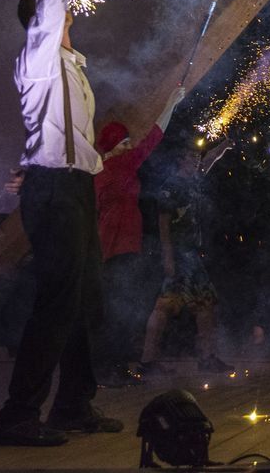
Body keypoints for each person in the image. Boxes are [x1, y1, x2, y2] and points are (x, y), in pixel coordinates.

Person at [0, 0, 120, 447]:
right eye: (62, 5)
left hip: (72, 188)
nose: (70, 12)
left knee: (86, 301)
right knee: (56, 303)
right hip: (56, 192)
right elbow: (46, 17)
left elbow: (58, 134)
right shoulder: (39, 55)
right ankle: (18, 416)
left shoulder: (68, 64)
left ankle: (73, 406)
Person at [93, 85, 185, 386]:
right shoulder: (119, 165)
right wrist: (171, 102)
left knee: (115, 312)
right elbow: (154, 138)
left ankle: (112, 369)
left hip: (111, 249)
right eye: (125, 141)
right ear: (114, 144)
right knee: (120, 313)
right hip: (119, 250)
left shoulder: (99, 170)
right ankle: (112, 370)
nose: (130, 145)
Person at [137, 137, 235, 376]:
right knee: (191, 305)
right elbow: (163, 224)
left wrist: (222, 147)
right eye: (191, 157)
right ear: (180, 160)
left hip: (189, 255)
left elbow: (209, 160)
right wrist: (168, 257)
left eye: (196, 156)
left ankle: (154, 361)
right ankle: (200, 359)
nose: (196, 160)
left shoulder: (192, 180)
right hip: (181, 255)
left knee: (178, 306)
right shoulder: (173, 186)